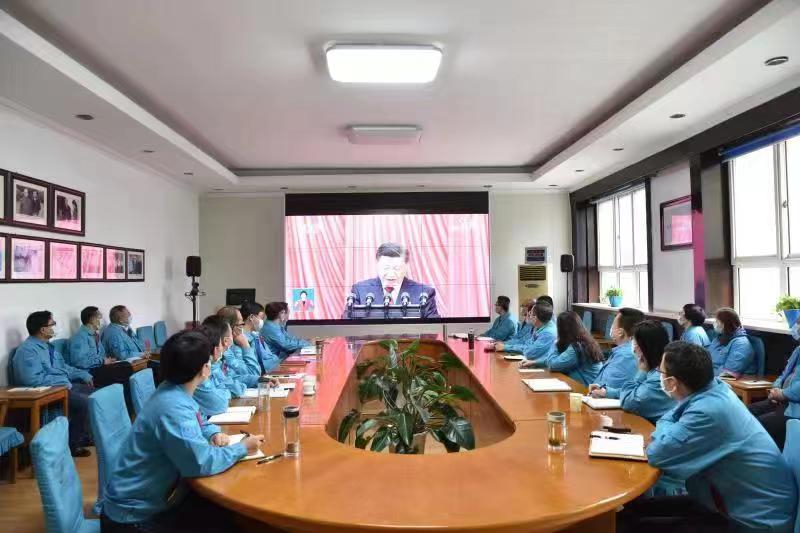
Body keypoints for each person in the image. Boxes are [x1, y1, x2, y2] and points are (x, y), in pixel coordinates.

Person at [619, 341, 796, 532]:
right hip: (731, 503)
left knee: (632, 526)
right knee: (633, 511)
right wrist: (666, 430)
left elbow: (657, 454)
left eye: (660, 372)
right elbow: (668, 418)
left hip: (752, 522)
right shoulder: (715, 389)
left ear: (672, 383)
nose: (658, 375)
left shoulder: (708, 412)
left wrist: (662, 433)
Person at [100, 330, 263, 532]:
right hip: (135, 519)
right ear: (205, 369)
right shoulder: (172, 407)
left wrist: (212, 433)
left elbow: (199, 419)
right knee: (234, 519)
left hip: (159, 498)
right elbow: (201, 462)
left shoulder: (173, 390)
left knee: (222, 511)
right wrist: (242, 448)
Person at [12, 311, 93, 457]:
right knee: (83, 403)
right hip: (49, 391)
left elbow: (64, 367)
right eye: (53, 324)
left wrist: (83, 374)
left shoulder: (48, 347)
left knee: (96, 394)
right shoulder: (27, 350)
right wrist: (62, 380)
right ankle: (73, 444)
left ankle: (84, 436)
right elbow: (32, 380)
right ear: (43, 329)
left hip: (63, 386)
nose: (55, 327)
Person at [345, 242, 439, 319]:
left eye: (396, 268)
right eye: (386, 268)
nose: (391, 273)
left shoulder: (424, 293)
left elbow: (433, 328)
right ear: (377, 265)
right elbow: (347, 323)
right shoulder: (360, 290)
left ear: (406, 266)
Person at [748, 315, 800, 450]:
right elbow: (784, 374)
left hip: (795, 407)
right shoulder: (798, 350)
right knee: (746, 412)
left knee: (761, 425)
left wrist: (782, 394)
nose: (796, 328)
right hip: (782, 400)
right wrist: (775, 388)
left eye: (799, 325)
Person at [617, 320, 675, 424]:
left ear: (643, 347)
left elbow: (628, 402)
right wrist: (608, 392)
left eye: (634, 342)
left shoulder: (659, 377)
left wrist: (641, 372)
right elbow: (640, 391)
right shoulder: (656, 368)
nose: (633, 347)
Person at [68, 306, 134, 388]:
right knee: (124, 369)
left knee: (126, 366)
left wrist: (108, 360)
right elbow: (79, 362)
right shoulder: (79, 337)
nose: (100, 320)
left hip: (99, 368)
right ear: (92, 319)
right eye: (99, 317)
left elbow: (102, 355)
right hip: (89, 372)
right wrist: (102, 361)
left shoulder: (95, 335)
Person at [531, 311, 603, 386]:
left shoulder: (577, 347)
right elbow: (561, 359)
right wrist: (535, 362)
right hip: (582, 385)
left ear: (562, 329)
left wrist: (555, 343)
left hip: (585, 389)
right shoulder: (583, 340)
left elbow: (552, 365)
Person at [588, 307, 644, 398]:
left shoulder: (625, 356)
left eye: (613, 325)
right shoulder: (625, 351)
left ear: (621, 332)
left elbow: (605, 389)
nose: (611, 328)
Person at [194, 318, 241, 412]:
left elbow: (232, 388)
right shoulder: (200, 372)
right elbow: (221, 403)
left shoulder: (213, 364)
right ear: (215, 350)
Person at [216, 306, 261, 387]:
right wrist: (245, 345)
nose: (243, 326)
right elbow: (253, 372)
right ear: (230, 327)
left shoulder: (236, 343)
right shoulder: (225, 351)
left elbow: (241, 377)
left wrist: (260, 380)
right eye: (241, 324)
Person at [707, 307, 755, 377]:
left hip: (727, 381)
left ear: (726, 324)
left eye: (717, 321)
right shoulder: (719, 338)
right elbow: (707, 359)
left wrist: (704, 374)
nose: (715, 324)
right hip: (711, 377)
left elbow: (728, 374)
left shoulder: (741, 344)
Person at [240, 301, 281, 374]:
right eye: (261, 318)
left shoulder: (256, 335)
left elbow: (268, 356)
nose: (262, 321)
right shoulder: (241, 338)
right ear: (251, 317)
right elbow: (263, 361)